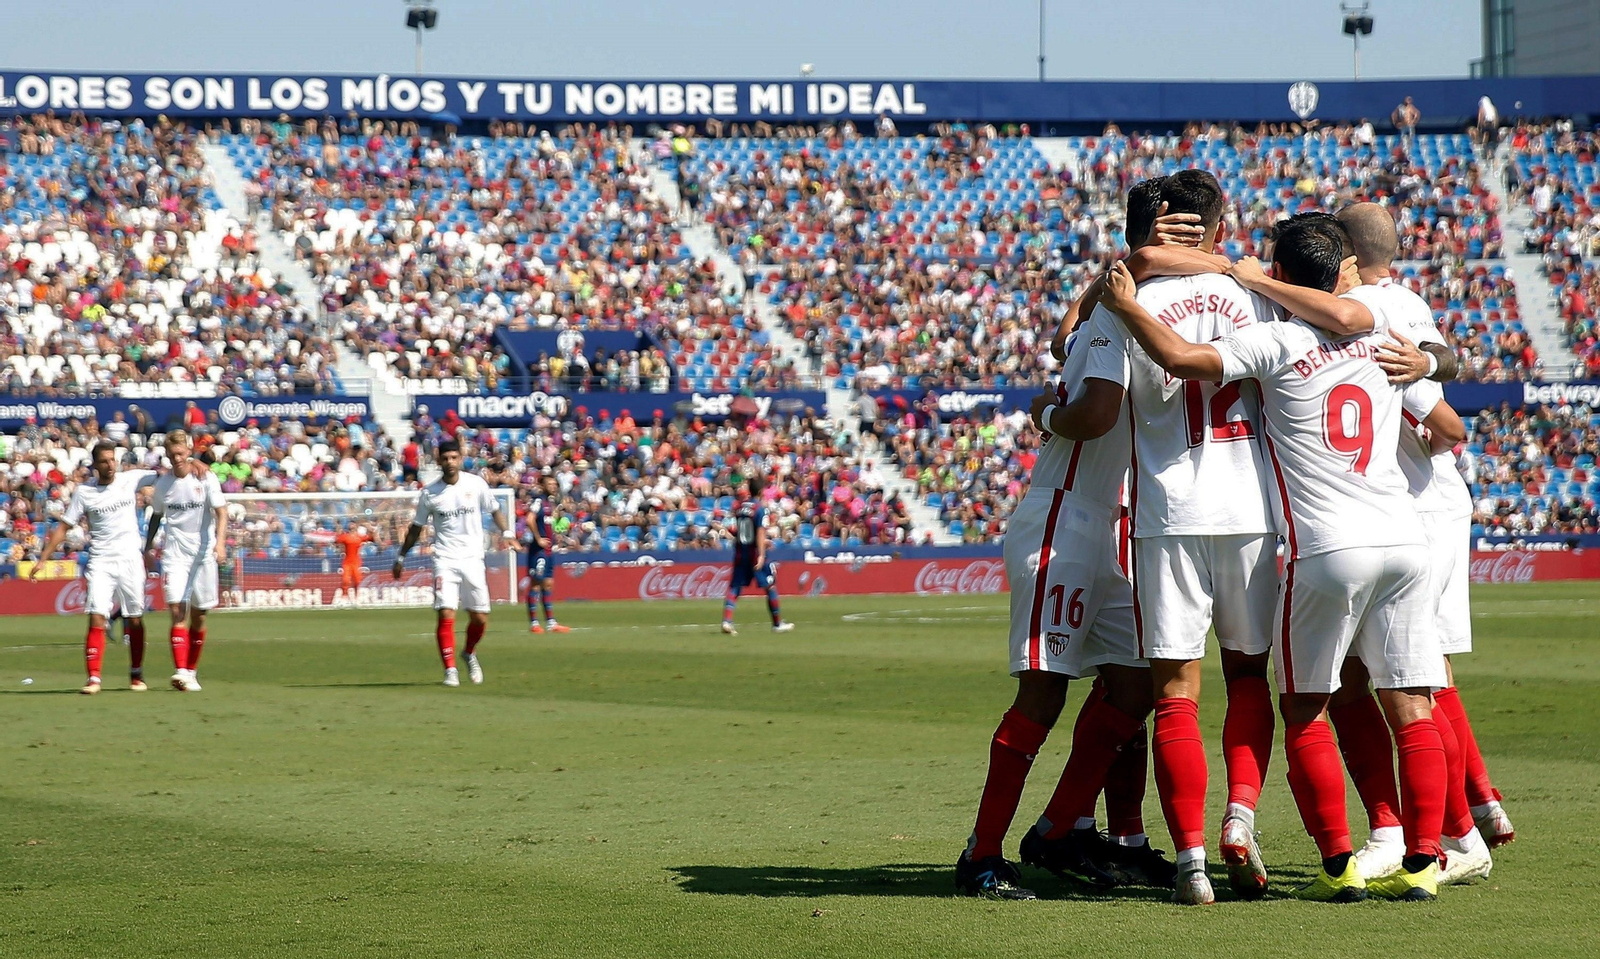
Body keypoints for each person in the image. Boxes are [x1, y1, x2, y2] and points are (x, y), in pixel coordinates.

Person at [1101, 212, 1450, 902]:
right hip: (1405, 541)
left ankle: (1336, 863)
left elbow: (1181, 359)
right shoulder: (1377, 327)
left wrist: (1126, 304)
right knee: (1412, 704)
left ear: (1282, 277)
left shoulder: (1276, 339)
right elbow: (1432, 401)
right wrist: (1433, 361)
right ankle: (1426, 860)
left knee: (1304, 708)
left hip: (1324, 544)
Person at [955, 179, 1170, 898]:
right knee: (1043, 692)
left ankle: (1057, 830)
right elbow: (1096, 413)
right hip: (1065, 520)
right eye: (1182, 235)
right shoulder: (1116, 314)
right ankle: (981, 856)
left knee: (1134, 683)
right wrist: (1048, 414)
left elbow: (1058, 341)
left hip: (1111, 521)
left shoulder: (1131, 308)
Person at [1076, 171, 1281, 904]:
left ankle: (1190, 860)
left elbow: (1074, 349)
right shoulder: (1254, 293)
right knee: (1250, 678)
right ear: (1216, 228)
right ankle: (1240, 814)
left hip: (1167, 509)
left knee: (1175, 695)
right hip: (1250, 508)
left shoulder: (1124, 296)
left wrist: (1129, 266)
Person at [34, 443, 158, 694]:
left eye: (113, 460)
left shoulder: (130, 479)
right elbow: (64, 527)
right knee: (97, 616)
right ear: (95, 465)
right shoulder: (85, 492)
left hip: (130, 560)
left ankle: (136, 674)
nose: (110, 465)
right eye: (105, 461)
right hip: (101, 560)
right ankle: (94, 679)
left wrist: (195, 464)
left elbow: (168, 474)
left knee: (134, 618)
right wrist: (43, 558)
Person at [393, 440, 516, 687]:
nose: (449, 462)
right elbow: (416, 529)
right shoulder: (430, 493)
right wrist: (401, 557)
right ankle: (450, 670)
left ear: (460, 459)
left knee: (480, 618)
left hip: (472, 559)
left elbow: (494, 510)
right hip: (444, 559)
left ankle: (469, 652)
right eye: (445, 458)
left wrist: (507, 533)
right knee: (446, 612)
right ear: (438, 461)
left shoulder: (476, 484)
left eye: (453, 458)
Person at [143, 431, 228, 693]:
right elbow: (157, 516)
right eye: (172, 455)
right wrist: (148, 546)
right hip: (175, 555)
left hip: (203, 555)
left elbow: (221, 512)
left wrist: (220, 543)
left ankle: (191, 671)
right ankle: (180, 670)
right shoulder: (163, 485)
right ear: (167, 457)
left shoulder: (205, 477)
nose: (177, 459)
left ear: (188, 451)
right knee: (177, 610)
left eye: (181, 454)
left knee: (200, 615)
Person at [721, 475, 794, 635]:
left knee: (735, 586)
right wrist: (761, 553)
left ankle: (727, 621)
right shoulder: (760, 509)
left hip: (741, 551)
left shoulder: (739, 507)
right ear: (761, 491)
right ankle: (777, 624)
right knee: (770, 585)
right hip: (754, 553)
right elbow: (760, 532)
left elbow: (741, 531)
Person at [526, 472, 569, 634]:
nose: (553, 487)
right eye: (550, 484)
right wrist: (538, 539)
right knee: (536, 584)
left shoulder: (549, 505)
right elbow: (529, 519)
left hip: (549, 551)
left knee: (548, 584)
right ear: (543, 486)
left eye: (554, 484)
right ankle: (534, 623)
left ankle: (551, 622)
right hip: (539, 551)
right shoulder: (538, 501)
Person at [334, 521, 373, 593]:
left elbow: (371, 538)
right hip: (347, 561)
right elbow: (337, 540)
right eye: (350, 524)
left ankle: (356, 597)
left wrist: (369, 528)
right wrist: (338, 528)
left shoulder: (360, 536)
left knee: (357, 581)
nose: (352, 525)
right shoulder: (345, 536)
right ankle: (344, 597)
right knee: (345, 580)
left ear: (356, 526)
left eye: (353, 524)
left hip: (356, 561)